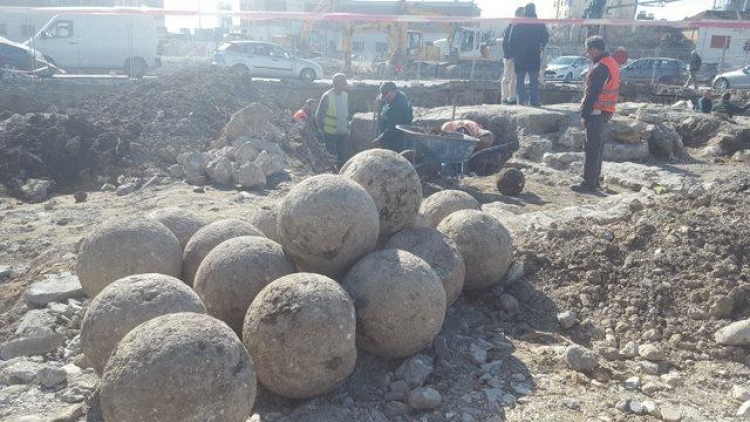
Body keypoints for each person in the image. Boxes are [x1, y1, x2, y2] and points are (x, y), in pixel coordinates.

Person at [572, 35, 620, 194]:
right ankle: (594, 180)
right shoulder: (611, 63)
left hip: (597, 111)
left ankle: (589, 183)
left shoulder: (601, 67)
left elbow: (593, 92)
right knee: (597, 147)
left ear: (594, 49)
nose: (587, 53)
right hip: (606, 111)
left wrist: (585, 113)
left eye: (588, 50)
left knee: (592, 148)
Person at [506, 3, 549, 107]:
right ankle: (534, 101)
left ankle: (520, 102)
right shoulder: (539, 23)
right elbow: (545, 37)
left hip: (520, 56)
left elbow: (510, 40)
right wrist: (541, 45)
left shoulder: (518, 23)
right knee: (534, 79)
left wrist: (512, 53)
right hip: (533, 54)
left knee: (520, 80)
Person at [315, 73, 349, 166]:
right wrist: (322, 131)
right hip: (330, 134)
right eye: (343, 83)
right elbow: (319, 116)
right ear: (337, 83)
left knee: (343, 158)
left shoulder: (345, 96)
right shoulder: (327, 96)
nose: (346, 84)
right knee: (331, 158)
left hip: (343, 133)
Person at [374, 81, 414, 152]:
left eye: (388, 96)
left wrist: (380, 139)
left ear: (393, 92)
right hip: (389, 137)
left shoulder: (399, 104)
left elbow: (392, 127)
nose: (386, 99)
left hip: (397, 140)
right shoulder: (396, 96)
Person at [500, 7, 526, 104]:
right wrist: (508, 55)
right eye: (522, 14)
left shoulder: (523, 28)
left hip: (518, 57)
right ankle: (504, 98)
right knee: (506, 77)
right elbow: (505, 42)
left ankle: (512, 98)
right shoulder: (510, 26)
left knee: (514, 78)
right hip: (509, 57)